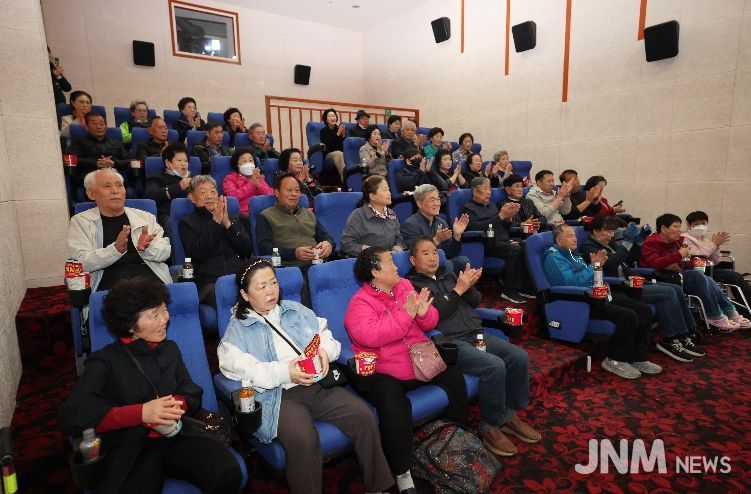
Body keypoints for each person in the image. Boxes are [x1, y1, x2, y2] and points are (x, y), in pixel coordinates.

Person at [218, 259, 393, 494]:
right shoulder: (237, 330)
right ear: (245, 294)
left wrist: (325, 351)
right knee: (304, 440)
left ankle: (377, 488)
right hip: (279, 396)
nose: (270, 291)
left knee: (364, 416)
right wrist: (285, 372)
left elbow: (325, 335)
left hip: (317, 385)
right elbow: (239, 367)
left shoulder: (294, 310)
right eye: (261, 286)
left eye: (273, 282)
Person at [58, 277, 242, 493]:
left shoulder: (169, 349)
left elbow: (190, 389)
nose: (165, 319)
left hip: (177, 434)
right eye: (154, 315)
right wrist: (141, 413)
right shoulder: (104, 361)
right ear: (130, 324)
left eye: (164, 310)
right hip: (133, 446)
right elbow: (72, 415)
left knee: (227, 472)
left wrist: (176, 405)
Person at [345, 247, 468, 494]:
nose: (396, 267)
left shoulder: (404, 285)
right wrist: (406, 315)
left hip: (419, 360)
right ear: (375, 272)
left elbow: (430, 321)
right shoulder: (360, 302)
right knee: (394, 405)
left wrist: (423, 314)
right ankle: (402, 472)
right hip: (386, 369)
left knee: (454, 378)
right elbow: (370, 336)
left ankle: (456, 441)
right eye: (390, 262)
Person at [406, 237, 541, 456]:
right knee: (494, 366)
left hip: (475, 332)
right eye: (425, 253)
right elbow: (434, 316)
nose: (432, 258)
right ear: (413, 260)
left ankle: (508, 414)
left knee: (518, 356)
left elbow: (475, 301)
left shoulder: (448, 274)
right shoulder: (411, 285)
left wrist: (469, 286)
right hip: (450, 340)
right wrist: (457, 291)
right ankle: (490, 425)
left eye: (435, 252)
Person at [579, 215, 705, 362]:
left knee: (675, 288)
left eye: (613, 231)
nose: (611, 235)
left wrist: (639, 241)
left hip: (631, 281)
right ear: (595, 231)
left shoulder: (610, 244)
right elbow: (612, 264)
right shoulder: (588, 247)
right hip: (620, 287)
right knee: (668, 293)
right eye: (607, 231)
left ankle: (686, 333)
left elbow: (627, 261)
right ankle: (669, 339)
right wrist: (627, 242)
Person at [544, 225, 661, 379]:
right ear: (559, 240)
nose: (575, 238)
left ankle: (638, 357)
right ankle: (615, 359)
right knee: (627, 316)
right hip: (580, 300)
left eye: (575, 235)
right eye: (570, 236)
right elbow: (571, 282)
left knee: (644, 310)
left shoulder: (574, 255)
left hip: (599, 295)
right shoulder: (553, 257)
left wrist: (598, 270)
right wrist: (593, 267)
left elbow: (592, 276)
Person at [639, 214, 750, 331]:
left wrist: (689, 262)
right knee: (697, 275)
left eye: (680, 227)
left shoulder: (677, 242)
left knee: (706, 278)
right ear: (663, 228)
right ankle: (713, 315)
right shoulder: (651, 242)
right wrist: (678, 255)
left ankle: (730, 312)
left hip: (677, 274)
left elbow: (685, 261)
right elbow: (655, 263)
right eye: (676, 227)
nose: (679, 230)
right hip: (658, 276)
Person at [68, 169, 172, 292]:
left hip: (148, 275)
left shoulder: (145, 217)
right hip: (107, 280)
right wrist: (115, 250)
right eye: (107, 186)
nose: (115, 191)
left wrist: (148, 248)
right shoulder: (81, 221)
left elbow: (165, 252)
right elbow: (79, 262)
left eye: (119, 185)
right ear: (91, 194)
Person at [179, 175, 252, 309]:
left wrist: (227, 224)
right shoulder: (187, 223)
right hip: (210, 282)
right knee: (230, 296)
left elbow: (247, 250)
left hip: (239, 277)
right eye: (203, 192)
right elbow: (198, 254)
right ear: (192, 198)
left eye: (213, 191)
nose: (209, 196)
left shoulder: (233, 219)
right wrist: (216, 223)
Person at [461, 177, 534, 304]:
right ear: (475, 192)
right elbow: (474, 227)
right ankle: (509, 290)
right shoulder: (468, 208)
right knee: (515, 250)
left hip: (503, 240)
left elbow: (503, 226)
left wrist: (509, 218)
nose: (489, 192)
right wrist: (500, 216)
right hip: (485, 244)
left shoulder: (491, 205)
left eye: (490, 189)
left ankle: (523, 287)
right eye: (485, 189)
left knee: (527, 246)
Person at [256, 173, 335, 268]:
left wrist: (328, 244)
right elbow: (264, 248)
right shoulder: (266, 216)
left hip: (318, 265)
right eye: (289, 190)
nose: (293, 194)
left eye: (297, 190)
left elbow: (326, 237)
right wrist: (294, 253)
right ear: (277, 192)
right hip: (290, 268)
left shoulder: (309, 214)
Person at [684, 210, 751, 315]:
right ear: (689, 225)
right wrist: (714, 244)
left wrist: (717, 246)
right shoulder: (684, 238)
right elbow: (699, 255)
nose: (700, 227)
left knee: (736, 276)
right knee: (734, 277)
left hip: (710, 268)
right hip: (697, 270)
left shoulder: (705, 240)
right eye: (696, 224)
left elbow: (716, 261)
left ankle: (746, 308)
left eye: (703, 224)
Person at [401, 184, 470, 275]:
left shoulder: (442, 222)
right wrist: (436, 240)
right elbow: (414, 255)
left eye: (438, 199)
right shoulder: (410, 225)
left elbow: (451, 254)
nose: (437, 203)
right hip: (421, 269)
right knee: (446, 264)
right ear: (419, 204)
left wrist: (456, 235)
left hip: (441, 262)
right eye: (432, 200)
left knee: (463, 261)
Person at [342, 175, 405, 257]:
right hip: (368, 260)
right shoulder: (357, 216)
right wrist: (373, 253)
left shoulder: (391, 213)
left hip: (390, 259)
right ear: (372, 196)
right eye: (385, 190)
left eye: (388, 189)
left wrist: (396, 250)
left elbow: (399, 239)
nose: (389, 193)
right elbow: (347, 244)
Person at [67, 112, 130, 191]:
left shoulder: (116, 143)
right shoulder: (80, 142)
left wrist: (114, 163)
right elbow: (72, 160)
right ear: (86, 127)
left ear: (106, 127)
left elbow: (129, 161)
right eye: (94, 123)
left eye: (102, 124)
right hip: (90, 176)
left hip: (114, 175)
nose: (99, 127)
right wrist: (95, 163)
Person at [144, 143, 191, 238]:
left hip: (193, 214)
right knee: (175, 224)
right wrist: (179, 187)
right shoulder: (156, 178)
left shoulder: (194, 178)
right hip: (169, 216)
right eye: (179, 160)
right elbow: (151, 196)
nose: (183, 164)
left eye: (186, 161)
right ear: (168, 163)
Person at [318, 108, 346, 182]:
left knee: (343, 154)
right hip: (329, 154)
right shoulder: (323, 131)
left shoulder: (339, 128)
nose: (332, 117)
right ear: (326, 119)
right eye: (329, 116)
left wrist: (343, 136)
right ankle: (344, 178)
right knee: (338, 153)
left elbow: (344, 146)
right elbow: (327, 146)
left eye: (334, 116)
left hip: (340, 153)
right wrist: (338, 134)